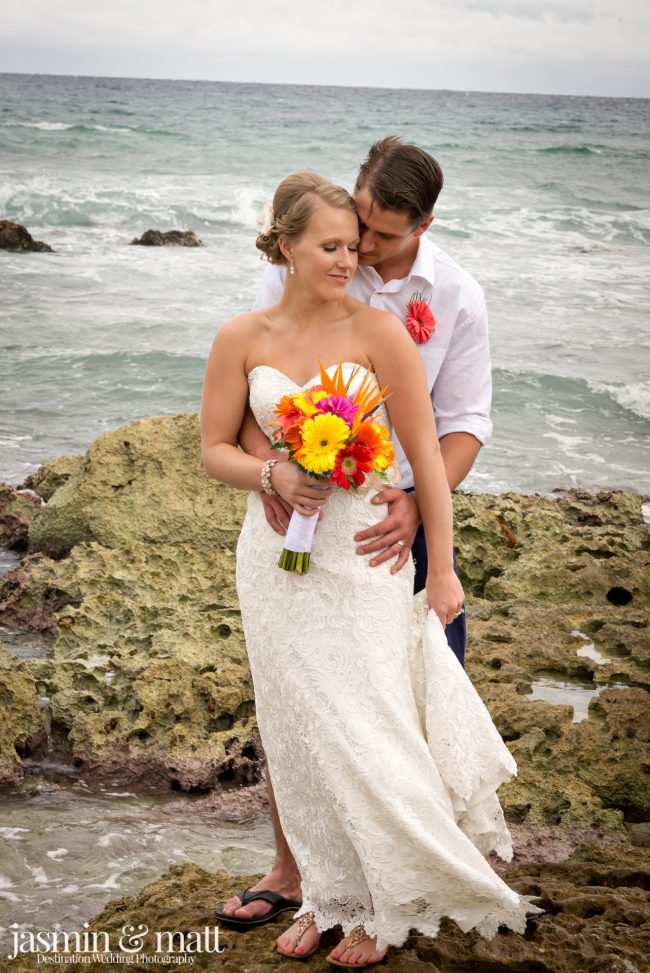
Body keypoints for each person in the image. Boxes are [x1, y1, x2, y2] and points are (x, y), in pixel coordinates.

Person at [201, 172, 540, 967]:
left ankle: (381, 901)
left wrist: (444, 572)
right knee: (297, 722)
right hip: (275, 557)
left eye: (357, 245)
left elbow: (429, 454)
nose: (350, 259)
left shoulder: (383, 333)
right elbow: (213, 445)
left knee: (368, 723)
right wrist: (272, 475)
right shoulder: (240, 336)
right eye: (333, 245)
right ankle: (323, 890)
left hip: (365, 551)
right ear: (284, 246)